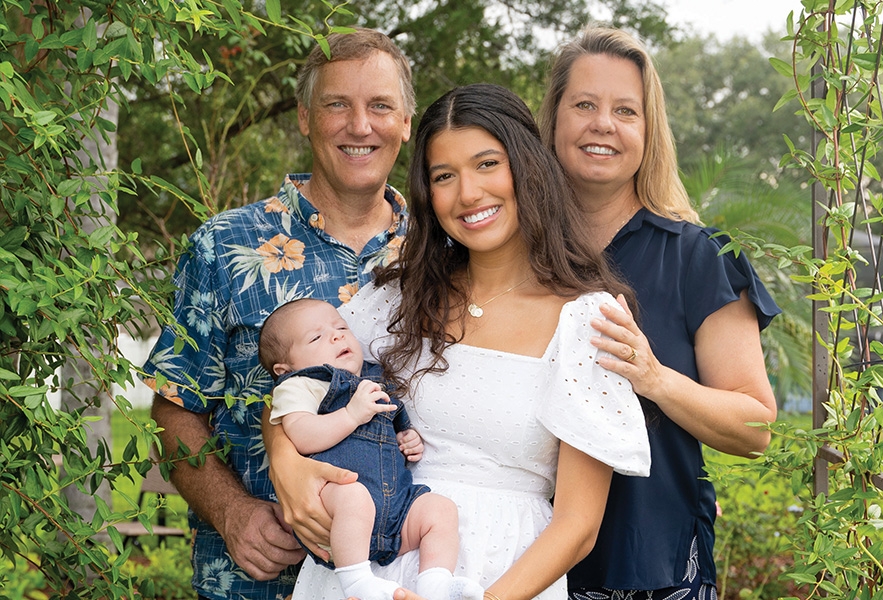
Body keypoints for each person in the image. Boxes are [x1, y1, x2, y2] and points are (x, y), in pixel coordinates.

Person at [263, 83, 652, 600]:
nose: (467, 193)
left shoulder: (586, 320)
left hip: (500, 574)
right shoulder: (397, 296)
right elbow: (301, 385)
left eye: (487, 164)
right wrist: (284, 461)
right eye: (444, 176)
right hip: (365, 571)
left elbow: (577, 525)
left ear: (527, 167)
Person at [141, 28, 414, 599]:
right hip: (259, 582)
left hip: (402, 578)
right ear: (305, 118)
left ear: (407, 122)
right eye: (337, 104)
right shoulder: (226, 245)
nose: (360, 126)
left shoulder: (441, 254)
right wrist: (232, 512)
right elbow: (172, 408)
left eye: (380, 106)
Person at [536, 26, 782, 600]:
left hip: (657, 572)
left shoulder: (698, 257)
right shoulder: (510, 251)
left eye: (626, 110)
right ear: (553, 120)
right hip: (515, 557)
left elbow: (757, 427)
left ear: (649, 132)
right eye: (585, 105)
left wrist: (654, 378)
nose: (603, 124)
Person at [259, 298, 482, 600]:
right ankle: (358, 583)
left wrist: (407, 440)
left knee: (439, 509)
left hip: (394, 511)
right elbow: (301, 435)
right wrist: (351, 415)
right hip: (336, 509)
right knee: (354, 495)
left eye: (340, 327)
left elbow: (391, 427)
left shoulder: (375, 378)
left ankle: (436, 584)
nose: (336, 336)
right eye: (316, 337)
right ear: (285, 368)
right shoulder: (300, 385)